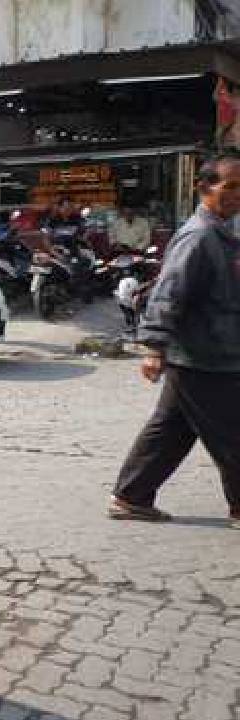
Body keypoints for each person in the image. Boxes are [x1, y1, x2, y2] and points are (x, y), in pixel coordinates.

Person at [109, 156, 240, 530]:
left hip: (211, 351)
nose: (236, 194)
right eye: (228, 186)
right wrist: (153, 347)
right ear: (204, 188)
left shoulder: (223, 232)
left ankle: (131, 496)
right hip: (203, 356)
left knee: (171, 429)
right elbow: (169, 293)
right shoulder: (199, 235)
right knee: (233, 434)